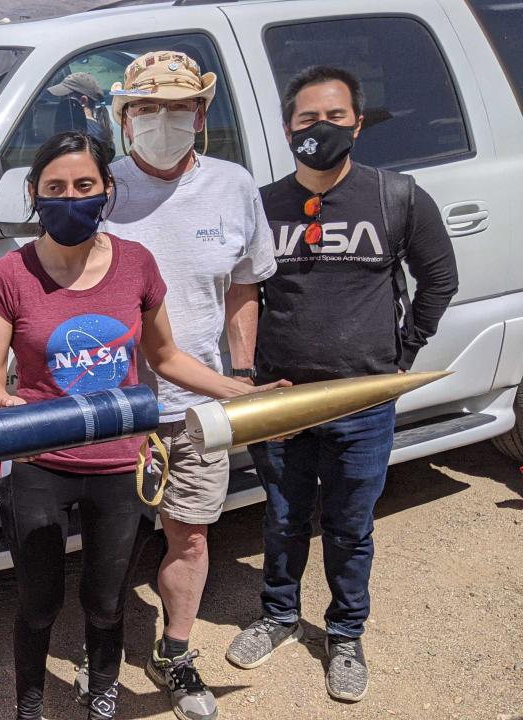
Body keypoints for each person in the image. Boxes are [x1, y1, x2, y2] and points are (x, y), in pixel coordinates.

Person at [0, 131, 286, 720]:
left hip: (120, 464)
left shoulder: (136, 265)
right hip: (40, 462)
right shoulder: (7, 277)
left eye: (85, 186)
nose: (72, 198)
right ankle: (31, 705)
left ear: (107, 191)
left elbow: (166, 358)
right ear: (33, 195)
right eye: (56, 188)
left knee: (106, 601)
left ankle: (102, 698)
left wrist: (242, 391)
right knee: (39, 603)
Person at [226, 65, 457, 703]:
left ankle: (345, 633)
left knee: (351, 525)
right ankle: (277, 614)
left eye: (333, 118)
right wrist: (246, 376)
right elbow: (244, 291)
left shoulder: (397, 197)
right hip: (280, 400)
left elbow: (439, 281)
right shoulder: (265, 206)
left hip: (362, 401)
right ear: (286, 126)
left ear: (357, 123)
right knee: (282, 516)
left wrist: (401, 355)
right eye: (307, 119)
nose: (319, 129)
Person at [68, 49, 279, 720]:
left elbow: (244, 284)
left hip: (200, 402)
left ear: (202, 113)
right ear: (124, 119)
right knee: (111, 542)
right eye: (146, 109)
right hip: (116, 407)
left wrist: (239, 375)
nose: (163, 120)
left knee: (190, 535)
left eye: (178, 107)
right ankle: (100, 662)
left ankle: (175, 653)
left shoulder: (233, 186)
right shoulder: (101, 190)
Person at [46, 72, 115, 160]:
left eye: (64, 98)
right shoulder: (99, 129)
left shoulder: (84, 134)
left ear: (83, 101)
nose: (60, 102)